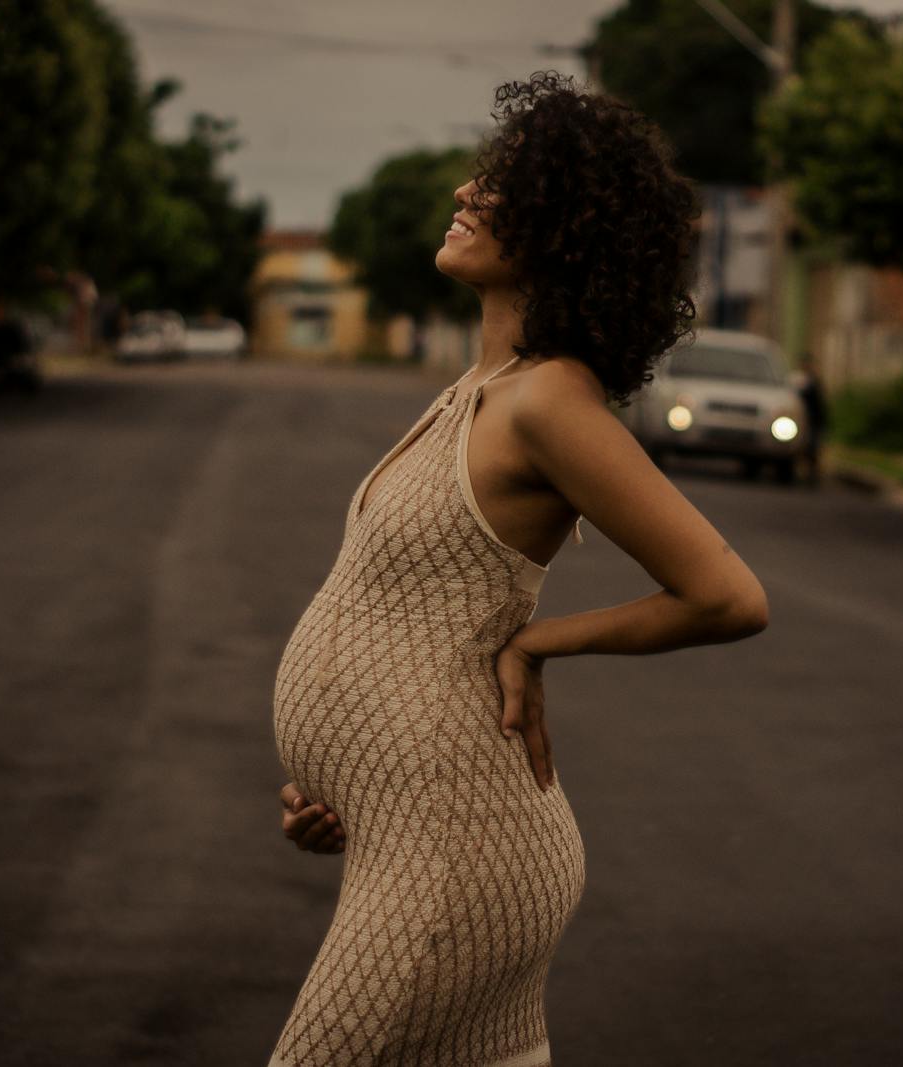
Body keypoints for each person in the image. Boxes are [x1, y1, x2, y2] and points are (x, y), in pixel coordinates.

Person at [268, 71, 769, 1067]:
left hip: (459, 850)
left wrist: (539, 640)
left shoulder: (548, 402)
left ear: (563, 228)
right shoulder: (477, 388)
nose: (467, 192)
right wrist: (343, 795)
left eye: (501, 183)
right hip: (410, 835)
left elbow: (727, 595)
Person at [795, 351, 828, 485]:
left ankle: (812, 475)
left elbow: (820, 404)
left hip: (813, 421)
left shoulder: (814, 382)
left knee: (812, 450)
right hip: (800, 420)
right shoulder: (798, 381)